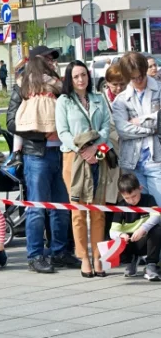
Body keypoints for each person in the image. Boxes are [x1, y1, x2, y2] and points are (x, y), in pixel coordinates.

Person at [10, 50, 78, 274]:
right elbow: (12, 122)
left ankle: (59, 252)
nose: (52, 61)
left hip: (63, 152)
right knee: (37, 208)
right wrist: (42, 133)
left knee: (61, 208)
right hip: (36, 153)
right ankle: (35, 255)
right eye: (48, 58)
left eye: (53, 58)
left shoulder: (59, 85)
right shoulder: (23, 86)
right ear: (37, 60)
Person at [56, 59, 118, 277]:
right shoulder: (64, 100)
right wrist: (83, 149)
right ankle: (84, 257)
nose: (81, 79)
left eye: (84, 75)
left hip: (99, 154)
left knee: (98, 211)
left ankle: (98, 257)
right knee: (79, 211)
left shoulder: (98, 98)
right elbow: (62, 131)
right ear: (70, 79)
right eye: (76, 76)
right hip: (74, 157)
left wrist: (95, 149)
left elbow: (107, 127)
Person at [112, 52, 161, 204]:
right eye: (133, 78)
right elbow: (122, 130)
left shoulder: (159, 90)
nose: (139, 80)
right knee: (142, 213)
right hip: (132, 162)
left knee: (158, 207)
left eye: (141, 75)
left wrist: (138, 121)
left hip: (156, 159)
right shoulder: (120, 100)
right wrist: (152, 127)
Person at [112, 172, 161, 280]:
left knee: (157, 230)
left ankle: (151, 265)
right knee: (116, 239)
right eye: (127, 198)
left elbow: (156, 215)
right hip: (128, 241)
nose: (131, 200)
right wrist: (121, 235)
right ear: (121, 194)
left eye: (134, 196)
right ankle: (130, 261)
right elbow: (112, 231)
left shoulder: (149, 199)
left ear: (140, 188)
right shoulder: (121, 206)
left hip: (143, 238)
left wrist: (143, 229)